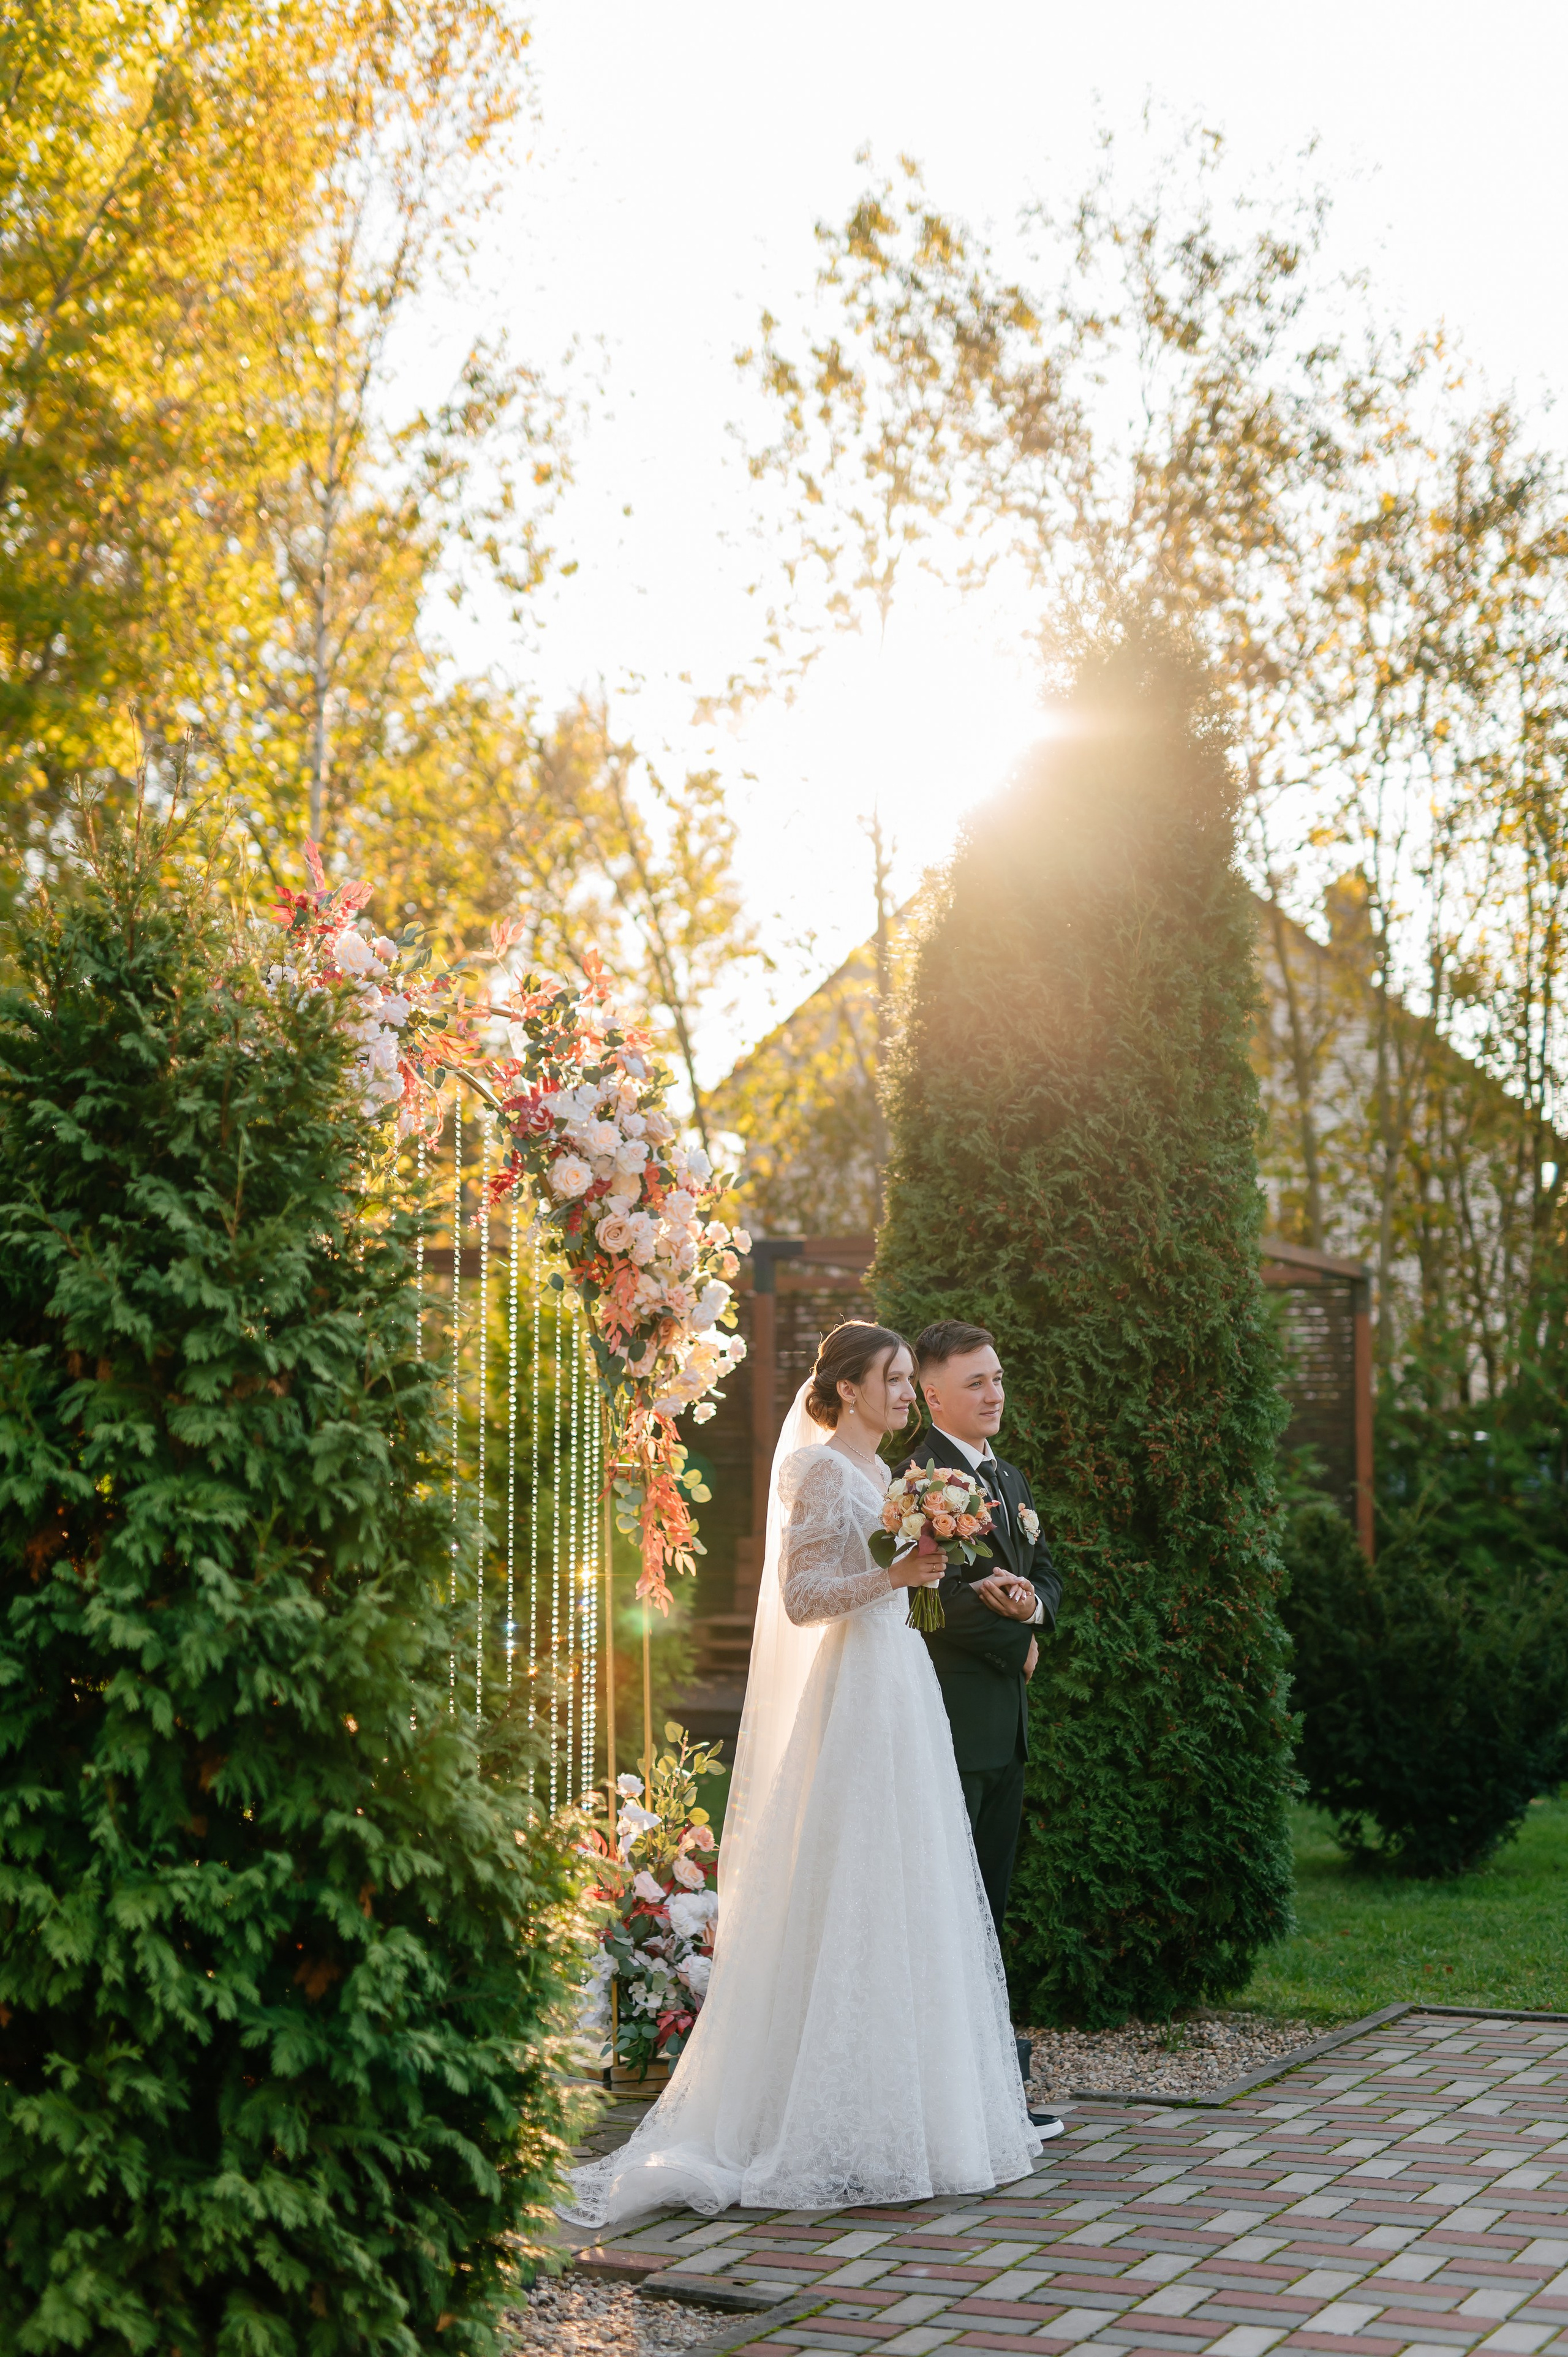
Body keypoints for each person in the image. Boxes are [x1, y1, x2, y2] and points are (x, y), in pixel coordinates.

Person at [561, 1320, 1044, 2227]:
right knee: (850, 1886)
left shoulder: (883, 1475)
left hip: (900, 1686)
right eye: (895, 1380)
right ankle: (817, 2119)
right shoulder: (820, 1470)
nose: (906, 1394)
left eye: (909, 1380)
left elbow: (897, 1583)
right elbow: (801, 1597)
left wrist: (941, 1585)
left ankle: (908, 2113)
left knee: (908, 1893)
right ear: (850, 1388)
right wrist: (896, 1575)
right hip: (853, 1696)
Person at [900, 1320, 1063, 2131]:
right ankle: (954, 2099)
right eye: (975, 1383)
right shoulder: (913, 1480)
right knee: (947, 1912)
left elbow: (1047, 1572)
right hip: (950, 1725)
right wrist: (1016, 1646)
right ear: (933, 1394)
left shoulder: (1010, 1476)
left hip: (1007, 1736)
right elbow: (921, 1598)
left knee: (986, 1910)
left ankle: (988, 2093)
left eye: (997, 1378)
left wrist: (1033, 1609)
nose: (994, 1393)